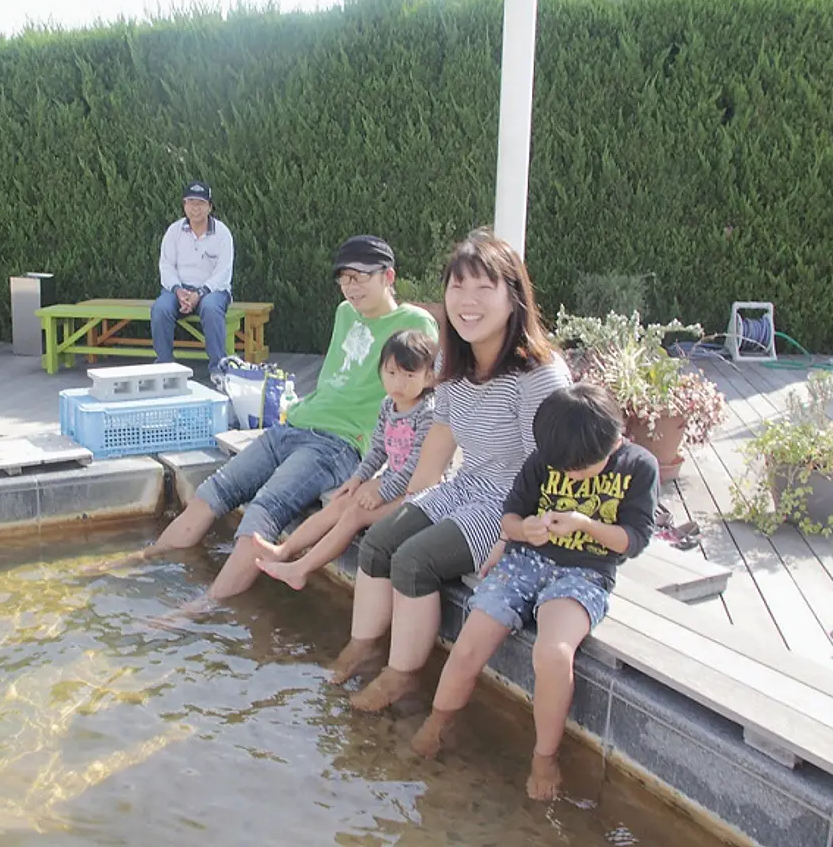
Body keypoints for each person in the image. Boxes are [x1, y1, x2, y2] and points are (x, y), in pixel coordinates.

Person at [331, 229, 572, 711]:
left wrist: (512, 533)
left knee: (414, 560)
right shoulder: (451, 361)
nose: (468, 301)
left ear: (513, 296)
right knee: (380, 542)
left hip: (510, 501)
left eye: (484, 288)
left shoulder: (539, 375)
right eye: (457, 287)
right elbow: (438, 443)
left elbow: (548, 470)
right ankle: (365, 645)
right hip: (465, 486)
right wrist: (409, 502)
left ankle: (402, 676)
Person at [141, 235, 439, 608]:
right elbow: (334, 379)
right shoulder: (344, 313)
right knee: (218, 487)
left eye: (360, 277)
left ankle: (203, 606)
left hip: (338, 443)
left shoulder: (414, 323)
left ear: (388, 276)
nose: (351, 287)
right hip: (294, 424)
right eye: (344, 278)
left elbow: (429, 394)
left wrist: (379, 476)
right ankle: (144, 560)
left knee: (267, 506)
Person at [409, 382, 659, 801]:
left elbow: (633, 541)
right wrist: (523, 530)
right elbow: (510, 520)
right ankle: (438, 720)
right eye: (562, 467)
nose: (569, 474)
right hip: (523, 561)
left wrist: (584, 524)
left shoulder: (639, 467)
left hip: (585, 573)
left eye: (580, 470)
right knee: (471, 641)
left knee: (553, 653)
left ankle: (544, 755)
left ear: (614, 442)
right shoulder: (544, 460)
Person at [255, 328, 438, 590]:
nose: (399, 383)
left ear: (429, 376)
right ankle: (284, 550)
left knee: (355, 515)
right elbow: (377, 449)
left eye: (410, 375)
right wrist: (358, 478)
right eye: (391, 373)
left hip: (420, 491)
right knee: (342, 501)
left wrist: (382, 493)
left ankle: (300, 569)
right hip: (393, 479)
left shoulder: (427, 414)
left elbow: (415, 468)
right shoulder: (389, 405)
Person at [153, 181, 235, 376]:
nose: (195, 208)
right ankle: (164, 368)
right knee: (160, 308)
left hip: (213, 292)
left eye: (200, 203)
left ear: (210, 207)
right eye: (191, 202)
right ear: (184, 205)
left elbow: (223, 272)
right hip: (178, 290)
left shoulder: (223, 233)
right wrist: (178, 291)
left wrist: (200, 293)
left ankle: (218, 369)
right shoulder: (173, 231)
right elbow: (166, 266)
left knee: (211, 308)